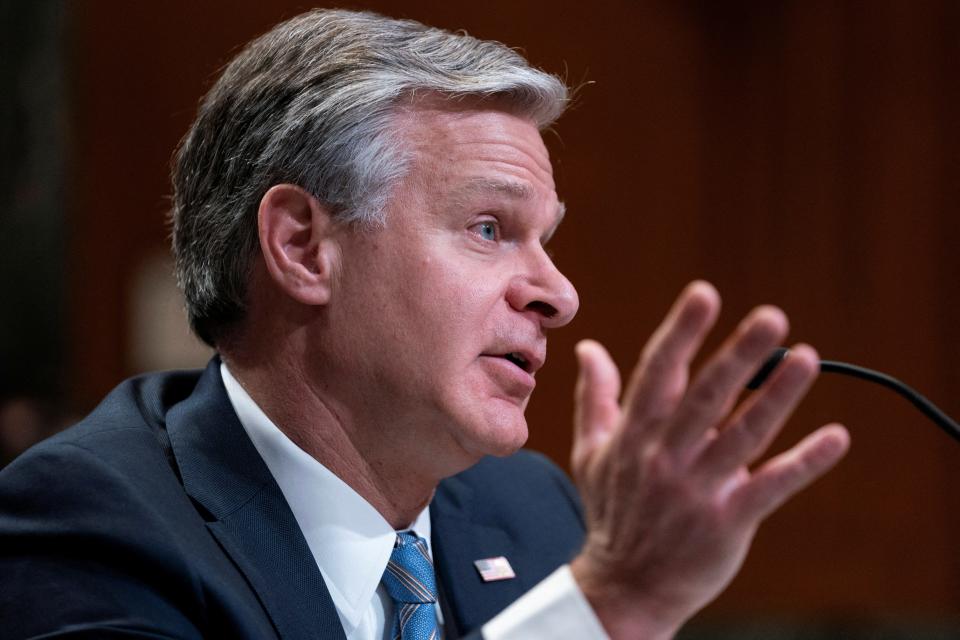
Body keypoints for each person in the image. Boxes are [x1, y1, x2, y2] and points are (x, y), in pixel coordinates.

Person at [0, 9, 850, 639]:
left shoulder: (533, 513)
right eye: (490, 229)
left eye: (545, 240)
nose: (559, 293)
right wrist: (611, 606)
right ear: (303, 246)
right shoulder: (89, 526)